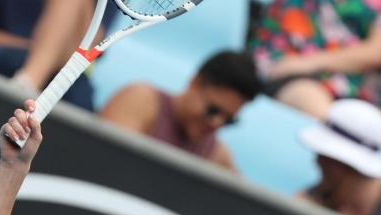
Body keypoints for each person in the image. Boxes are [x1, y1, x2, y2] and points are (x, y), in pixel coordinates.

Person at [249, 0, 381, 152]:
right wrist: (300, 65)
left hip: (346, 88)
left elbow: (376, 52)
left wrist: (309, 62)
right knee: (323, 114)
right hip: (285, 69)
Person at [100, 51, 261, 170]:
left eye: (228, 120)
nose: (216, 123)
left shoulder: (216, 154)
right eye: (213, 110)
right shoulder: (141, 101)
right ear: (195, 83)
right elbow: (107, 164)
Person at [0, 0, 97, 109]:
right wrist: (44, 48)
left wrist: (45, 50)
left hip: (56, 77)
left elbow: (90, 43)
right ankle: (24, 87)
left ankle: (25, 85)